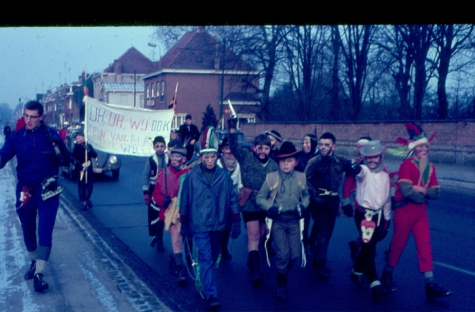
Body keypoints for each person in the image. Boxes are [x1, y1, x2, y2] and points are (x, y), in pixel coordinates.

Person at [0, 101, 70, 292]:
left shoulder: (51, 135)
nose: (29, 120)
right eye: (26, 116)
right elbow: (2, 157)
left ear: (41, 117)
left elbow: (66, 160)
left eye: (33, 117)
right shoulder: (16, 138)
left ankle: (40, 274)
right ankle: (33, 262)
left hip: (48, 190)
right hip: (26, 191)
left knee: (45, 231)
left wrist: (62, 149)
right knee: (28, 229)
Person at [381, 123, 451, 298]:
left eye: (425, 147)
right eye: (420, 147)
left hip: (420, 214)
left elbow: (436, 191)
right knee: (398, 245)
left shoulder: (431, 167)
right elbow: (405, 192)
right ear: (414, 149)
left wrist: (421, 190)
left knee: (425, 246)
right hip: (404, 212)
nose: (424, 150)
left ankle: (430, 283)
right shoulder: (407, 165)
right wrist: (423, 195)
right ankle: (387, 274)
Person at [179, 126, 241, 311]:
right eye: (206, 156)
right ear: (200, 157)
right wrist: (184, 223)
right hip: (199, 224)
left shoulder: (224, 176)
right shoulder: (192, 177)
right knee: (206, 257)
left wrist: (236, 220)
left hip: (219, 223)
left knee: (214, 256)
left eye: (212, 156)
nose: (209, 160)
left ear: (217, 156)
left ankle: (203, 278)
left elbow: (232, 198)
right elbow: (185, 200)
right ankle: (211, 294)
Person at [256, 141, 310, 301]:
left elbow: (306, 195)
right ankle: (281, 286)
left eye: (289, 161)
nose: (286, 164)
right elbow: (260, 198)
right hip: (278, 221)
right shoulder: (271, 177)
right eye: (282, 161)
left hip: (294, 220)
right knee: (282, 254)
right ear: (278, 162)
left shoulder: (301, 177)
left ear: (296, 162)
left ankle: (283, 269)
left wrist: (303, 206)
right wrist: (269, 207)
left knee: (294, 255)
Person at [228, 118, 279, 286]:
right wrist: (232, 130)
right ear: (254, 148)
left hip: (266, 202)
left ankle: (252, 258)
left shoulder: (273, 165)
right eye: (259, 148)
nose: (262, 151)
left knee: (263, 235)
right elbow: (234, 147)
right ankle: (256, 270)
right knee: (254, 235)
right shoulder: (246, 157)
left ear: (270, 149)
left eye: (266, 148)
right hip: (249, 201)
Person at [304, 132, 360, 280]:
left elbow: (352, 167)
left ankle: (312, 242)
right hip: (318, 201)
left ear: (333, 146)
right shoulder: (314, 161)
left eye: (326, 145)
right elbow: (305, 181)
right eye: (321, 144)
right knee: (324, 232)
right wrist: (314, 197)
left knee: (326, 229)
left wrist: (358, 165)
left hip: (333, 200)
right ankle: (320, 262)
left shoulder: (339, 160)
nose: (323, 147)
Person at [349, 140, 391, 301]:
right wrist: (354, 167)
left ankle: (356, 273)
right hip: (363, 216)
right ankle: (375, 284)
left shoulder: (386, 176)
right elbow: (359, 172)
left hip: (378, 216)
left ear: (380, 157)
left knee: (369, 246)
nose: (372, 160)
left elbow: (387, 200)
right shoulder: (364, 170)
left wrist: (387, 222)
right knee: (368, 248)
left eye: (375, 157)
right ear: (365, 158)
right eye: (369, 157)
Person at [152, 142, 190, 284]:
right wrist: (163, 200)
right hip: (170, 209)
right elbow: (155, 194)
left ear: (183, 159)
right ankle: (180, 268)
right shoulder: (163, 173)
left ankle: (176, 257)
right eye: (172, 157)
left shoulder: (189, 174)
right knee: (176, 236)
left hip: (184, 208)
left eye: (177, 157)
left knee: (184, 238)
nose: (174, 160)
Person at [341, 136, 372, 261]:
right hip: (358, 201)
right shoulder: (354, 165)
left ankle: (356, 245)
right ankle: (364, 262)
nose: (362, 150)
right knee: (365, 230)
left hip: (374, 202)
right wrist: (346, 203)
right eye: (360, 147)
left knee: (372, 231)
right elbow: (347, 185)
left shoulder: (376, 163)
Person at [217, 137, 243, 260]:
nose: (229, 151)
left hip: (233, 200)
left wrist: (239, 197)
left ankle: (224, 247)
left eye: (231, 148)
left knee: (229, 225)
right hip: (218, 200)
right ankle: (218, 247)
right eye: (226, 148)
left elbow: (240, 183)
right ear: (222, 150)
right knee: (219, 225)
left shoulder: (238, 164)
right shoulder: (217, 163)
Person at [142, 136, 168, 251]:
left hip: (167, 188)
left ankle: (162, 236)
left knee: (165, 214)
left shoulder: (169, 158)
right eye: (157, 146)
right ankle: (158, 237)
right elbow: (145, 177)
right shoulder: (151, 160)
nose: (159, 149)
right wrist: (145, 193)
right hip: (154, 188)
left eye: (162, 146)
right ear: (153, 147)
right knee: (155, 214)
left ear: (165, 147)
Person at [296, 133, 318, 255]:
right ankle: (304, 245)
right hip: (302, 194)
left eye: (307, 142)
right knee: (305, 221)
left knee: (319, 221)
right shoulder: (299, 158)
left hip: (316, 194)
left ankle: (312, 240)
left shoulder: (319, 157)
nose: (305, 145)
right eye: (303, 142)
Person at [72, 131, 98, 211]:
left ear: (83, 138)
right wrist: (81, 167)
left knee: (90, 186)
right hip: (80, 170)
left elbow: (95, 155)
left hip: (89, 169)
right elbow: (74, 159)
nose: (78, 140)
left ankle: (88, 199)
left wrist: (89, 150)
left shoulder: (88, 146)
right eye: (76, 139)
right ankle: (83, 202)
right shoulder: (76, 148)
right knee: (81, 187)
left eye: (79, 138)